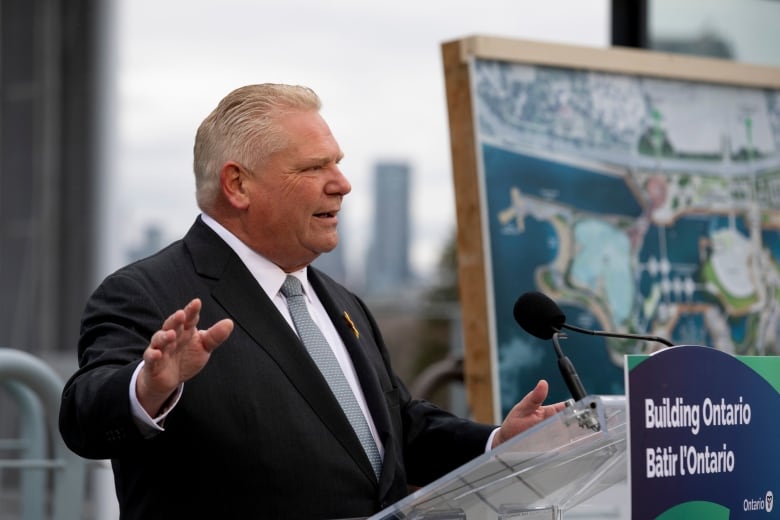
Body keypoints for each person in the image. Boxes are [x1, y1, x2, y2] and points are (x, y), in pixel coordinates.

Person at [58, 83, 566, 519]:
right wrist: (146, 389)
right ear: (238, 184)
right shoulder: (147, 293)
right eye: (314, 167)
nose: (341, 184)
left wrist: (499, 441)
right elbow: (85, 419)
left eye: (338, 163)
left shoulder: (341, 301)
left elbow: (399, 429)